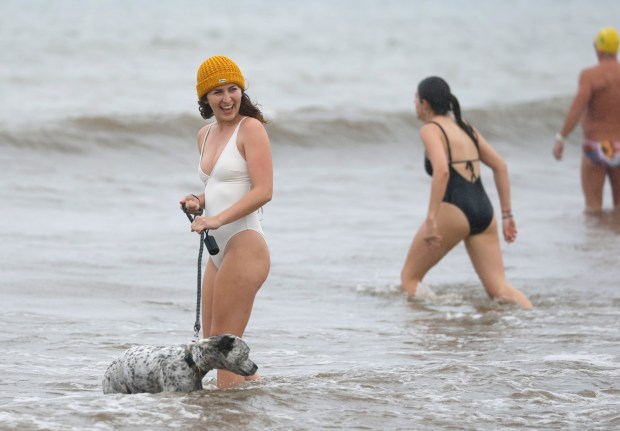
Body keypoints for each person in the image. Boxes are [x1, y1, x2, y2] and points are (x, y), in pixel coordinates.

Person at [179, 55, 273, 389]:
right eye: (217, 91)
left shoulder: (251, 128)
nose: (227, 98)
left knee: (223, 354)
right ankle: (259, 397)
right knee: (212, 351)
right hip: (219, 253)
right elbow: (218, 186)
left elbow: (263, 191)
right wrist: (198, 201)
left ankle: (229, 420)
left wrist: (215, 218)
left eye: (233, 89)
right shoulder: (204, 134)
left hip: (245, 245)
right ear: (205, 97)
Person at [401, 76, 532, 309]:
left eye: (416, 98)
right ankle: (535, 321)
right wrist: (507, 215)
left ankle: (425, 336)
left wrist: (431, 218)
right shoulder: (464, 126)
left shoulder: (431, 130)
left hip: (455, 210)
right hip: (484, 210)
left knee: (409, 279)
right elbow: (500, 165)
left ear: (426, 104)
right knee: (500, 290)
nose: (414, 102)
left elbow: (441, 171)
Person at [553, 27, 620, 213]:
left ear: (599, 48)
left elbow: (577, 108)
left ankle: (596, 242)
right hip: (619, 146)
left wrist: (561, 138)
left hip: (597, 147)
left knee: (593, 209)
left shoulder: (590, 75)